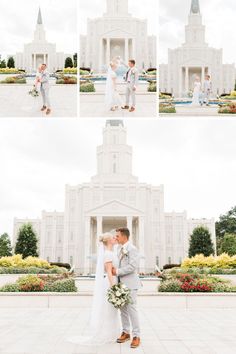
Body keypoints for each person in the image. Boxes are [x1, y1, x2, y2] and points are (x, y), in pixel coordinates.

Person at [68, 232, 120, 345]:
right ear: (109, 241)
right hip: (111, 283)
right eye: (113, 237)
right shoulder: (108, 254)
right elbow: (109, 273)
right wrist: (114, 288)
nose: (115, 238)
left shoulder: (111, 252)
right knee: (109, 310)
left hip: (113, 281)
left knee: (112, 310)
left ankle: (111, 333)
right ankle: (107, 334)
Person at [112, 227, 142, 349]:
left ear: (124, 237)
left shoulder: (132, 249)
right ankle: (126, 332)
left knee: (132, 310)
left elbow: (132, 266)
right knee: (123, 310)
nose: (116, 238)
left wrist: (117, 271)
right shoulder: (119, 249)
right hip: (120, 284)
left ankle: (136, 336)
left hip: (130, 285)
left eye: (117, 236)